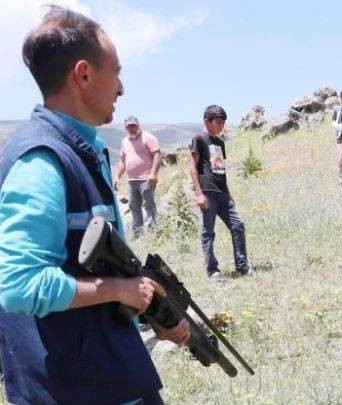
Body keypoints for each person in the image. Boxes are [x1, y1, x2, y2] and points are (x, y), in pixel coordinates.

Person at [0, 7, 188, 404]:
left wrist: (148, 309)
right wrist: (120, 289)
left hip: (105, 373)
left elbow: (92, 265)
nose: (121, 89)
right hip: (77, 387)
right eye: (116, 72)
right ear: (83, 75)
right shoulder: (41, 160)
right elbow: (18, 285)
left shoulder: (80, 150)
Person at [189, 105, 252, 278]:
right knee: (208, 232)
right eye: (218, 122)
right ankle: (213, 270)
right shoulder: (199, 139)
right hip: (207, 192)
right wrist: (199, 194)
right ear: (206, 121)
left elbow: (220, 169)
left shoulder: (220, 143)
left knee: (237, 225)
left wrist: (229, 193)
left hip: (222, 193)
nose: (221, 125)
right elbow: (192, 167)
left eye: (223, 122)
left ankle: (242, 266)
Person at [113, 115, 162, 236]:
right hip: (131, 180)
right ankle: (137, 234)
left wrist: (153, 173)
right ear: (125, 127)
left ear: (138, 125)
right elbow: (122, 161)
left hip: (146, 179)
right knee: (134, 206)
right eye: (129, 126)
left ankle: (152, 233)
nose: (132, 128)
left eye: (134, 125)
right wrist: (117, 176)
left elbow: (157, 155)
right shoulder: (125, 141)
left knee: (148, 205)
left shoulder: (148, 137)